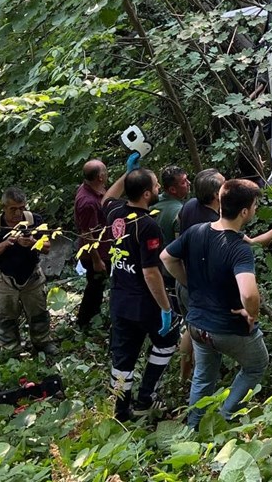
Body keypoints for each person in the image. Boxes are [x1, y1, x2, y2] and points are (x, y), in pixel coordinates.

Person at [161, 179, 272, 429]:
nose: (255, 209)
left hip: (198, 325)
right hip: (227, 327)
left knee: (203, 376)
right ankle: (225, 417)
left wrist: (189, 282)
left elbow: (166, 257)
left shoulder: (197, 231)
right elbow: (250, 294)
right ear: (244, 211)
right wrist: (251, 313)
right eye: (254, 205)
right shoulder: (238, 249)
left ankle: (194, 428)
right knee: (256, 365)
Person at [103, 165, 177, 420]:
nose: (158, 188)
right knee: (167, 342)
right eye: (156, 185)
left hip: (119, 299)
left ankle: (120, 411)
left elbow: (106, 198)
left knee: (123, 357)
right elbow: (150, 272)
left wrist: (126, 174)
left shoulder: (114, 213)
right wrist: (166, 308)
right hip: (144, 302)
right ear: (146, 194)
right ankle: (146, 397)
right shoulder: (147, 226)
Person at [0, 187, 56, 356]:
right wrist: (7, 243)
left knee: (39, 313)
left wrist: (31, 242)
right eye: (13, 209)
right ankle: (11, 352)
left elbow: (47, 247)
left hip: (32, 275)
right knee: (6, 318)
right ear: (4, 207)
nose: (17, 213)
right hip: (3, 278)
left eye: (21, 208)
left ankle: (42, 343)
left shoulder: (34, 220)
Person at [74, 159, 110, 328]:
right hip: (95, 255)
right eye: (105, 171)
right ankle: (84, 322)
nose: (107, 173)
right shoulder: (87, 202)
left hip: (104, 249)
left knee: (98, 288)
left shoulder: (96, 189)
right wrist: (96, 260)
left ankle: (93, 319)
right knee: (94, 288)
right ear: (100, 177)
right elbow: (87, 233)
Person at [178, 168, 225, 234]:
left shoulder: (190, 204)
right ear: (217, 194)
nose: (228, 185)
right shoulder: (215, 225)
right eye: (225, 184)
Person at [152, 166, 190, 244]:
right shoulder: (180, 212)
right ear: (173, 190)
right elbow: (180, 246)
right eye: (183, 182)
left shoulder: (151, 202)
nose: (189, 183)